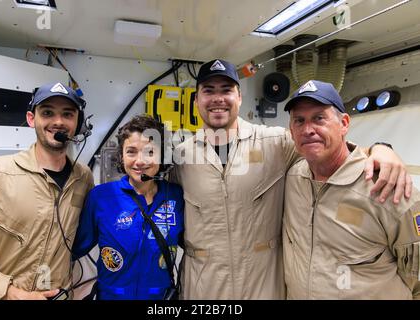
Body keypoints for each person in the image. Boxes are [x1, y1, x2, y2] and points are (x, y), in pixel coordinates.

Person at [171, 59, 412, 299]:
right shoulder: (181, 157)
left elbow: (328, 146)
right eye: (208, 91)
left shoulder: (275, 144)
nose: (218, 98)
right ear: (196, 100)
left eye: (226, 90)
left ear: (240, 97)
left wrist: (381, 148)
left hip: (263, 290)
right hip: (203, 290)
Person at [282, 80, 420, 299]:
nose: (308, 129)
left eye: (319, 118)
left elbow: (416, 275)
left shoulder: (386, 186)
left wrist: (382, 148)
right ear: (291, 131)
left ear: (344, 124)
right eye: (299, 121)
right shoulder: (292, 178)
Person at [0, 82, 94, 300]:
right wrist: (11, 293)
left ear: (77, 122)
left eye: (68, 114)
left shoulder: (83, 178)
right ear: (31, 119)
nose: (58, 122)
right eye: (47, 113)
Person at [72, 114, 184, 300]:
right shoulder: (101, 197)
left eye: (150, 152)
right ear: (121, 156)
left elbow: (194, 244)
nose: (140, 161)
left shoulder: (176, 196)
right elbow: (74, 249)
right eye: (131, 151)